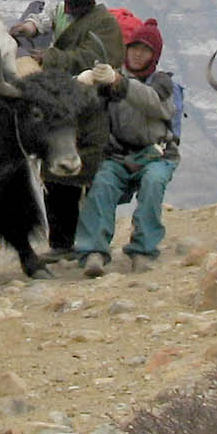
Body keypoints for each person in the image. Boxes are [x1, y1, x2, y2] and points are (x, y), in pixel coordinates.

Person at [11, 0, 126, 253]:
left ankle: (90, 245)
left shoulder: (104, 24)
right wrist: (28, 29)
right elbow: (45, 19)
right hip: (56, 109)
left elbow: (97, 57)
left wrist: (52, 57)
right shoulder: (61, 13)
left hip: (90, 109)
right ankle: (60, 244)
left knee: (86, 177)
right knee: (55, 178)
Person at [74, 14, 179, 275]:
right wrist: (83, 83)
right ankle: (93, 251)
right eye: (134, 48)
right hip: (118, 156)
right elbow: (88, 109)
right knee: (102, 184)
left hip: (156, 155)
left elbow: (154, 103)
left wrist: (120, 83)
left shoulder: (163, 83)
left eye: (145, 51)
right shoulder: (112, 79)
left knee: (154, 183)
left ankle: (143, 250)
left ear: (154, 56)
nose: (137, 55)